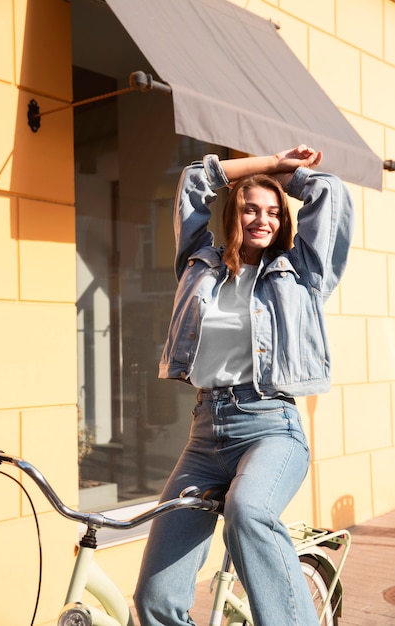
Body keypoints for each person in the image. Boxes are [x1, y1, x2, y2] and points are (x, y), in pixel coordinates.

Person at [134, 145, 354, 626]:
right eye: (252, 208)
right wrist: (261, 162)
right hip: (204, 436)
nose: (264, 219)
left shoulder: (303, 271)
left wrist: (284, 173)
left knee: (249, 511)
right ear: (234, 210)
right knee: (154, 598)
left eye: (274, 212)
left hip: (271, 427)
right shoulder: (200, 263)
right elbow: (193, 180)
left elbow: (329, 192)